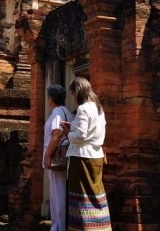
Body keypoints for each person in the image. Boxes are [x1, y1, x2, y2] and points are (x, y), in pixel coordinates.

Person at [61, 77, 110, 231]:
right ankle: (101, 227)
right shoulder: (98, 108)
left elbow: (81, 136)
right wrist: (72, 126)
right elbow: (90, 131)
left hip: (82, 158)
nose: (73, 96)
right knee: (96, 195)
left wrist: (68, 133)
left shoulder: (83, 108)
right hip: (96, 156)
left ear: (78, 92)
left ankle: (84, 228)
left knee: (81, 197)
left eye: (73, 93)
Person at [42, 84, 74, 231]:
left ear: (51, 99)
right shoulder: (67, 112)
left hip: (56, 156)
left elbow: (57, 134)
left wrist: (47, 155)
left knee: (57, 193)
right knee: (59, 192)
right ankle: (59, 225)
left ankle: (58, 227)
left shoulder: (56, 112)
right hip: (63, 155)